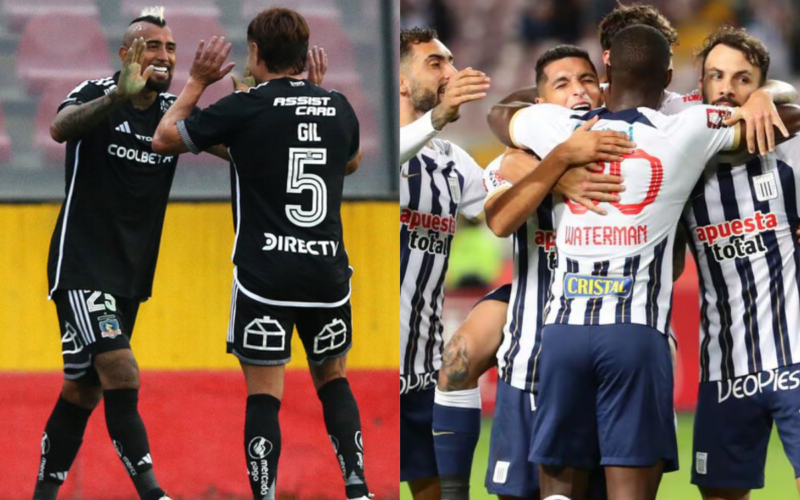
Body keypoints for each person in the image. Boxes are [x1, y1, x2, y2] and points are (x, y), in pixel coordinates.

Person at [491, 24, 799, 500]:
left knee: (558, 487)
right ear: (672, 78)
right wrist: (762, 98)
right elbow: (783, 118)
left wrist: (552, 166)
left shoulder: (559, 127)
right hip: (634, 333)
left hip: (561, 334)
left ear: (606, 69)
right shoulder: (688, 129)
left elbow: (501, 114)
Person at [152, 8, 369, 500]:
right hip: (326, 275)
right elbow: (349, 161)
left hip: (265, 277)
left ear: (255, 53)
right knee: (333, 380)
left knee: (265, 396)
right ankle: (358, 487)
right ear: (303, 54)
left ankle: (265, 494)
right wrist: (316, 95)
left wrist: (197, 81)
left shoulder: (245, 108)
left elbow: (165, 136)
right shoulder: (338, 105)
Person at [431, 46, 628, 500]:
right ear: (538, 107)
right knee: (458, 359)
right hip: (531, 342)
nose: (578, 90)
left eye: (586, 80)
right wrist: (555, 170)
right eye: (562, 84)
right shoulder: (511, 160)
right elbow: (499, 221)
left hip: (606, 338)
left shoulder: (630, 153)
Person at [33, 9, 196, 500]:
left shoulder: (173, 113)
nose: (163, 55)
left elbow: (234, 146)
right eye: (152, 46)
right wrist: (115, 97)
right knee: (122, 369)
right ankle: (153, 493)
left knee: (82, 389)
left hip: (129, 275)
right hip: (81, 265)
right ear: (127, 54)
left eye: (169, 47)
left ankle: (42, 494)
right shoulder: (94, 92)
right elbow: (61, 129)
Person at [682, 26, 800, 500]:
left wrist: (770, 96)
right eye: (716, 76)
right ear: (700, 86)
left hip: (795, 355)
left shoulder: (788, 155)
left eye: (743, 79)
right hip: (723, 367)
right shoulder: (680, 157)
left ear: (760, 89)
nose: (727, 87)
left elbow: (789, 95)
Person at [398, 26, 490, 500]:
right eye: (435, 63)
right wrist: (436, 117)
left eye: (450, 62)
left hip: (423, 370)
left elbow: (505, 211)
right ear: (398, 79)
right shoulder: (368, 147)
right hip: (368, 364)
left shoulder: (453, 162)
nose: (451, 73)